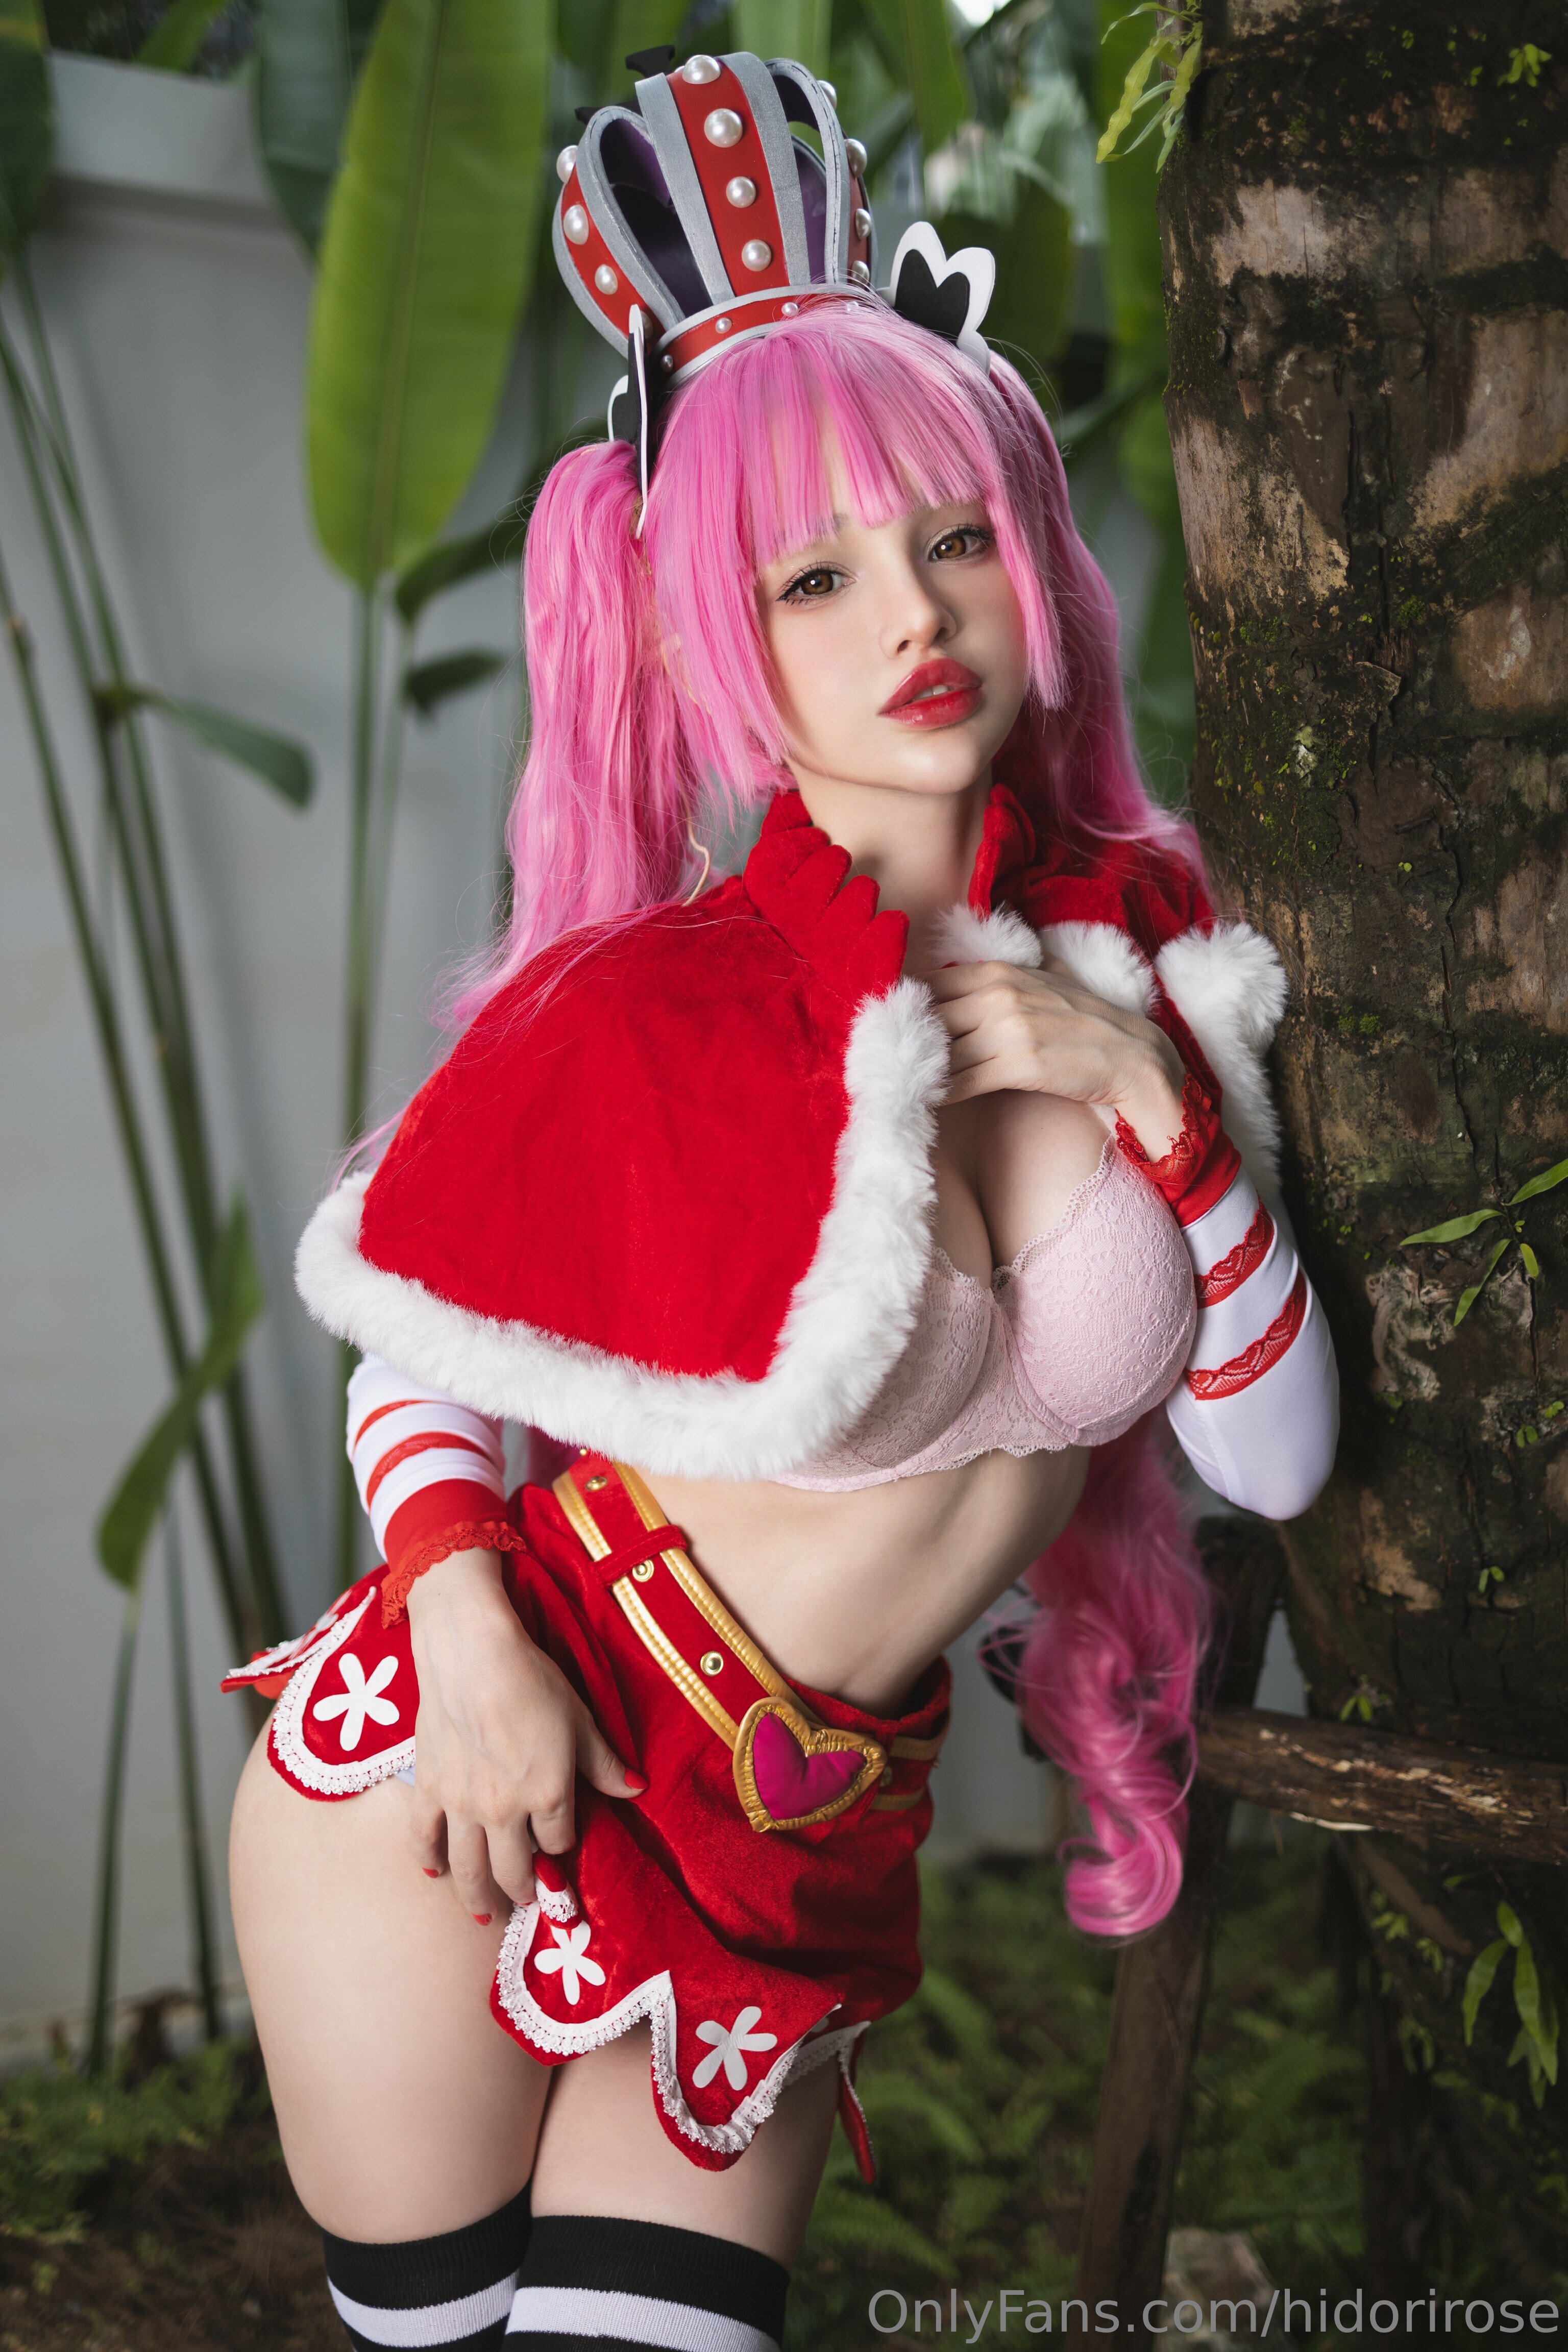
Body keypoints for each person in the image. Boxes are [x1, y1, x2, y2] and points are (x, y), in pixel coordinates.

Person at [228, 50, 1338, 2352]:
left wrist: (1160, 1103)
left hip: (808, 1842)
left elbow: (1278, 1459)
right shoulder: (642, 998)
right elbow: (418, 1354)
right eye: (810, 577)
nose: (910, 615)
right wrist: (468, 1638)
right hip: (489, 1769)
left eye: (952, 538)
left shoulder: (1155, 967)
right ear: (696, 641)